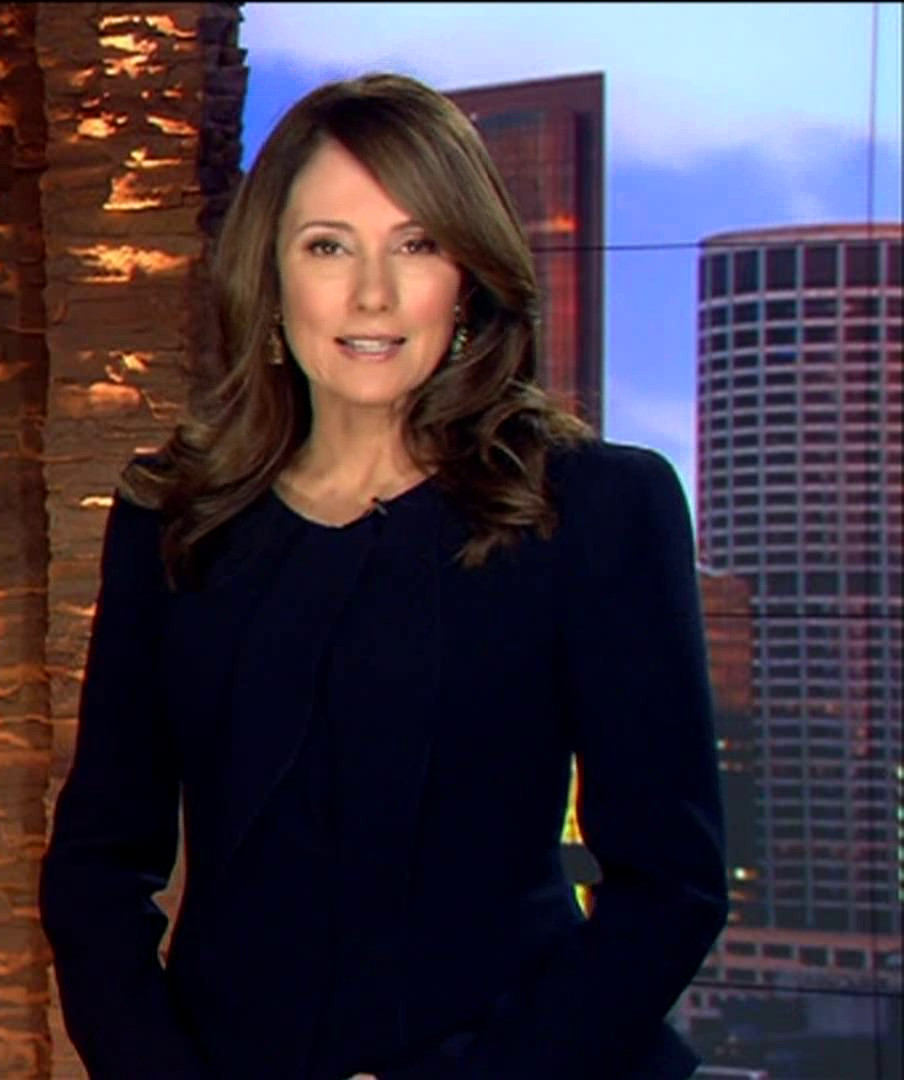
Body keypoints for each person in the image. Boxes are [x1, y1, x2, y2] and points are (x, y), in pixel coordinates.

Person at [39, 73, 727, 1080]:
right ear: (271, 277)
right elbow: (97, 870)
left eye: (417, 245)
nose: (372, 295)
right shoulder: (175, 519)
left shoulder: (597, 509)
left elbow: (672, 886)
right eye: (329, 247)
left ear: (469, 278)